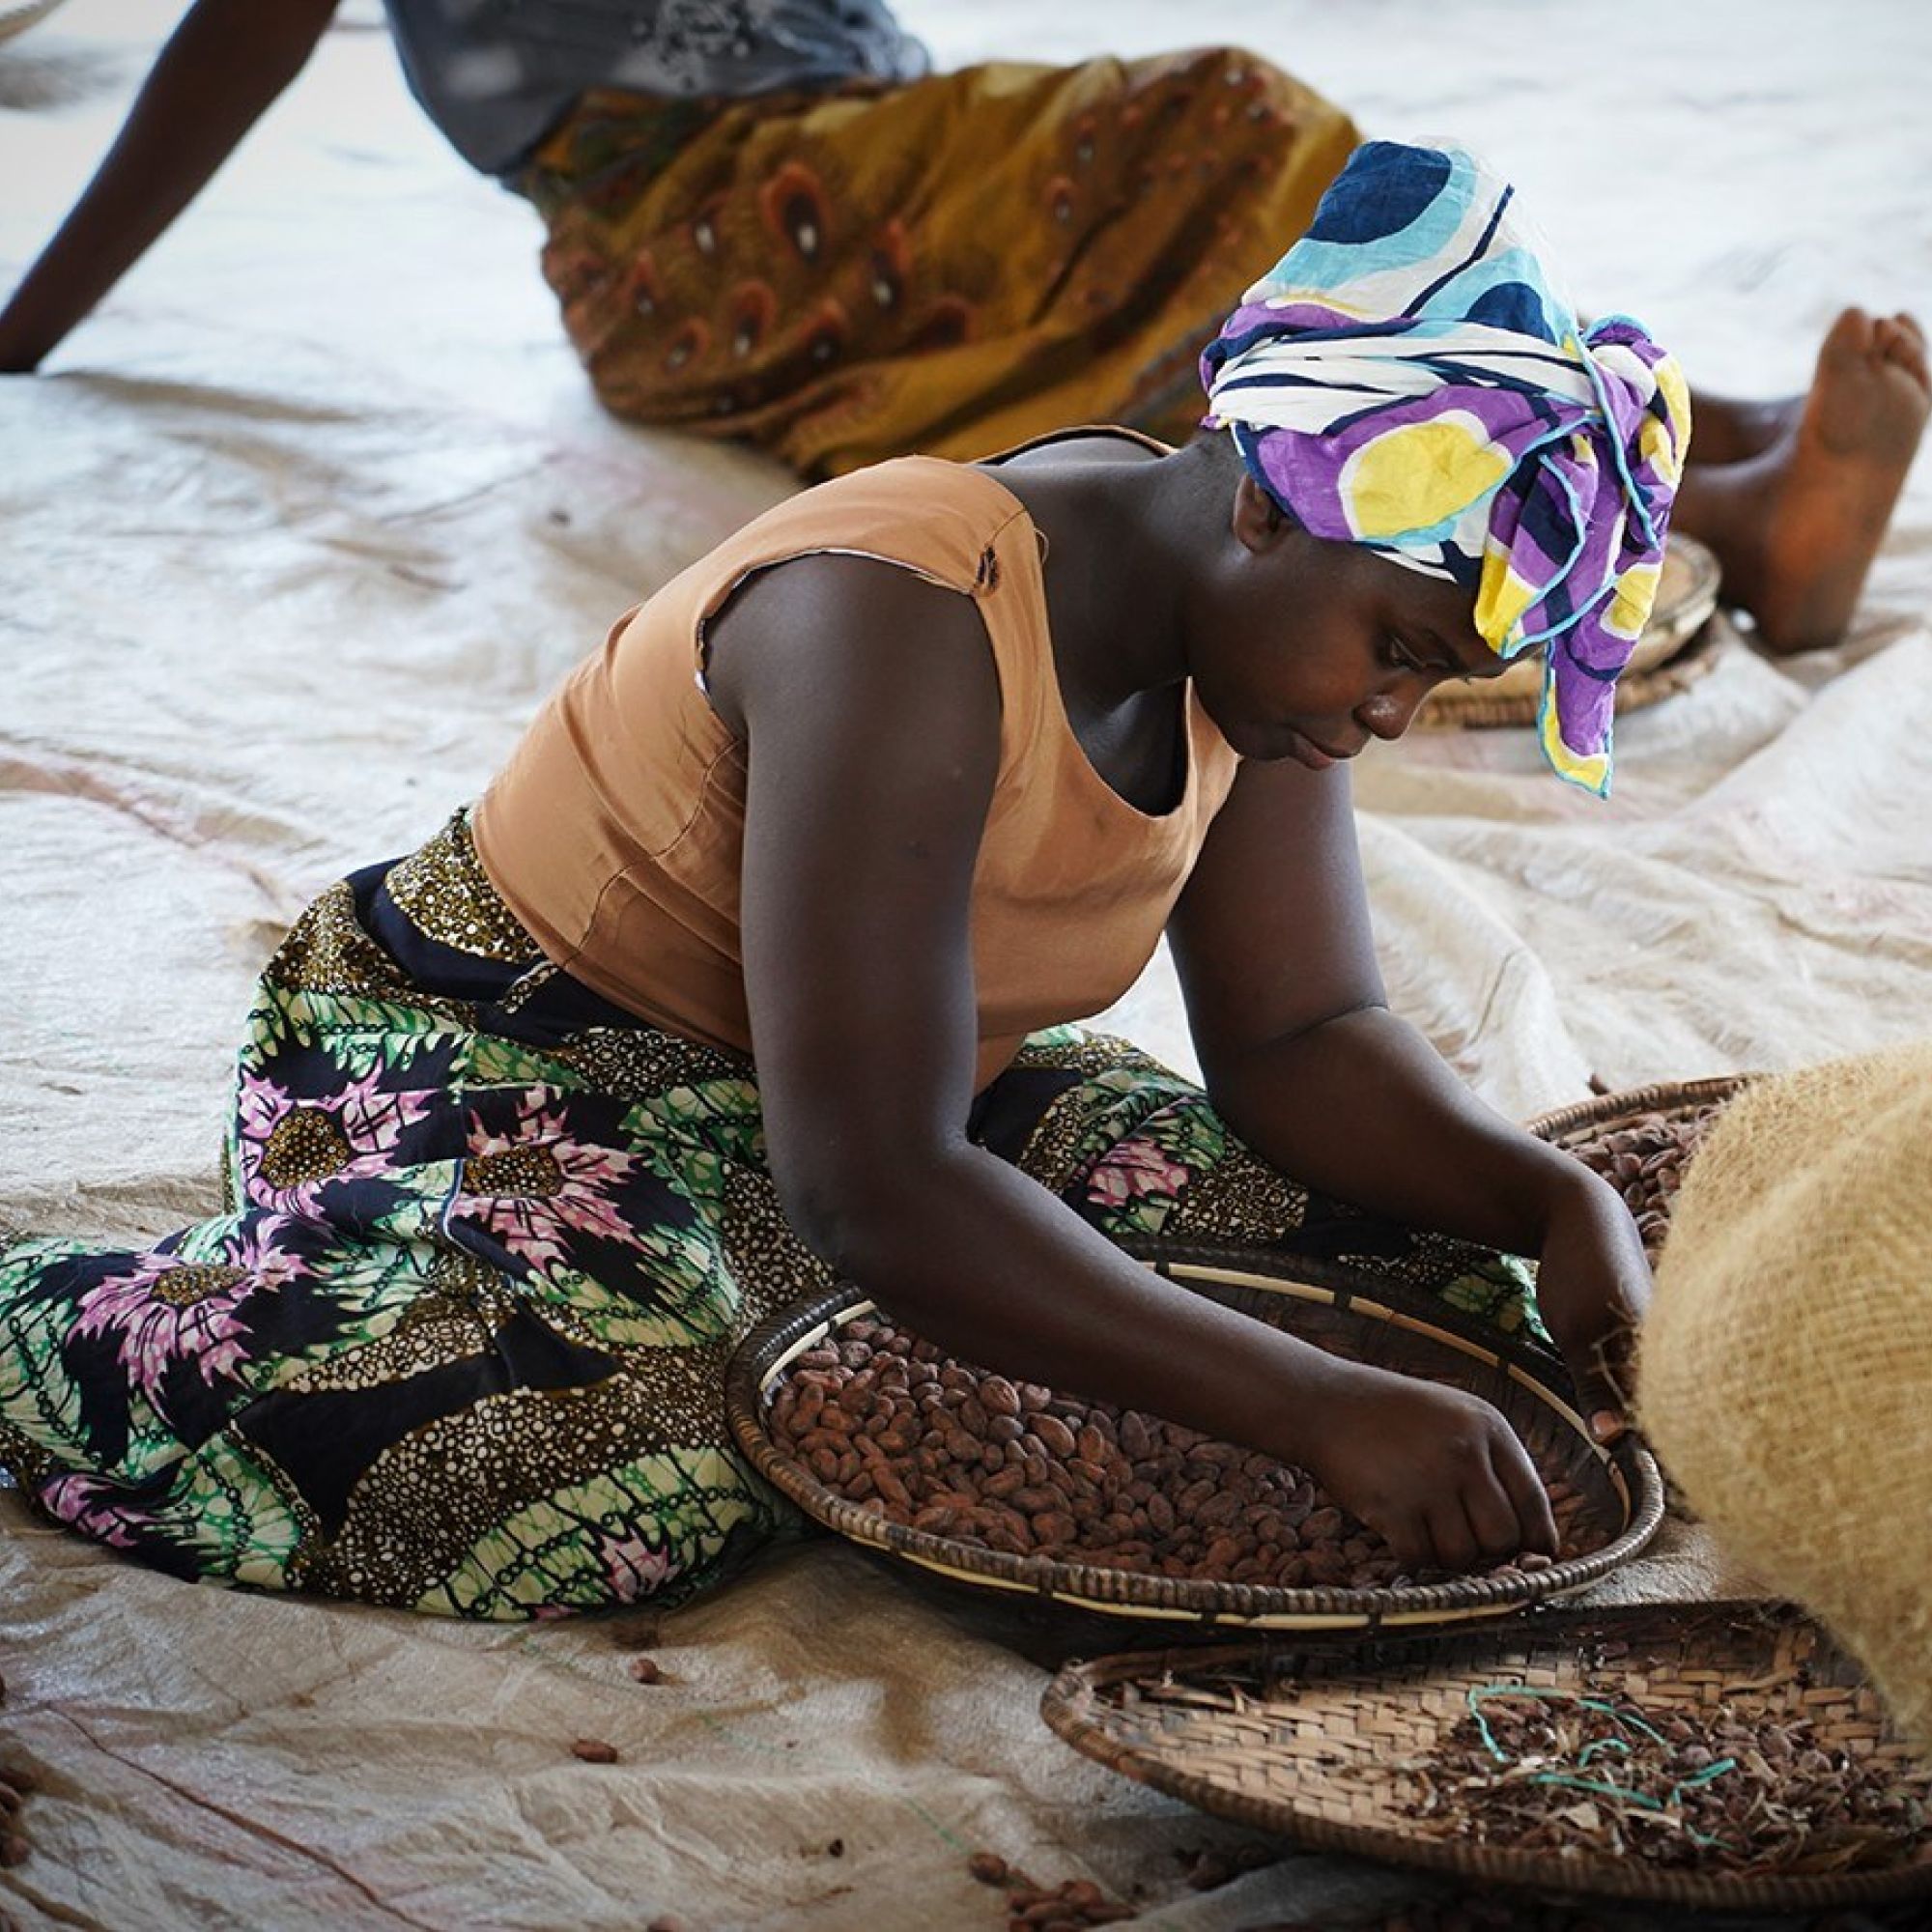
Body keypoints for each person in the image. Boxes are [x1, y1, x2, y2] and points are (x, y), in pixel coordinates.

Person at [1, 142, 1679, 1619]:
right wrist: (1308, 1411)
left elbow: (1306, 1034)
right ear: (1261, 499)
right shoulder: (899, 611)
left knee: (1420, 1287)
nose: (1385, 716)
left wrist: (1551, 1204)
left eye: (1429, 682)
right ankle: (53, 1325)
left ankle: (908, 1311)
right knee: (576, 1480)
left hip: (900, 1080)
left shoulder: (1249, 667)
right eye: (1394, 651)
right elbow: (868, 1185)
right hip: (511, 1051)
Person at [1, 2, 1924, 654]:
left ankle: (1696, 442)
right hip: (706, 235)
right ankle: (1714, 495)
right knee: (1226, 150)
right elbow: (238, 38)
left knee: (1243, 237)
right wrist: (31, 327)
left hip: (882, 156)